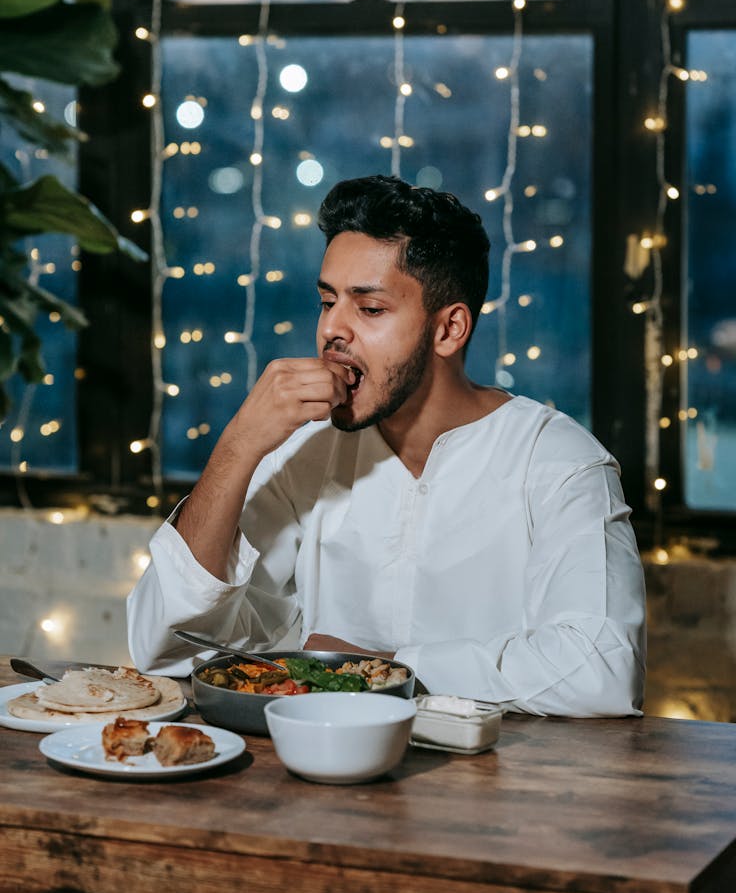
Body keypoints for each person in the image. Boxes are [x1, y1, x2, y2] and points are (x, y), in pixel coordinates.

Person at [127, 175, 646, 715]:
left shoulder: (558, 460)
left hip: (510, 783)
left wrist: (381, 668)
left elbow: (602, 668)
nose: (332, 329)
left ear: (449, 329)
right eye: (327, 302)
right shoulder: (305, 450)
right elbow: (168, 646)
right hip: (319, 776)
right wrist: (239, 444)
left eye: (369, 309)